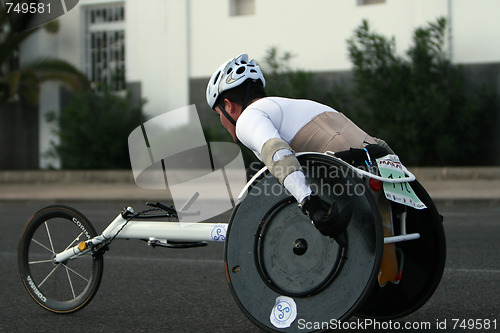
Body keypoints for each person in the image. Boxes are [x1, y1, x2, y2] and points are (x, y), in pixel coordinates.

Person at [206, 54, 388, 245]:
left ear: (227, 105)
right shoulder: (305, 105)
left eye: (219, 113)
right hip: (379, 165)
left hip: (348, 178)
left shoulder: (248, 116)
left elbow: (276, 151)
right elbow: (378, 145)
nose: (221, 121)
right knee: (261, 172)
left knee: (258, 176)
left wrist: (310, 204)